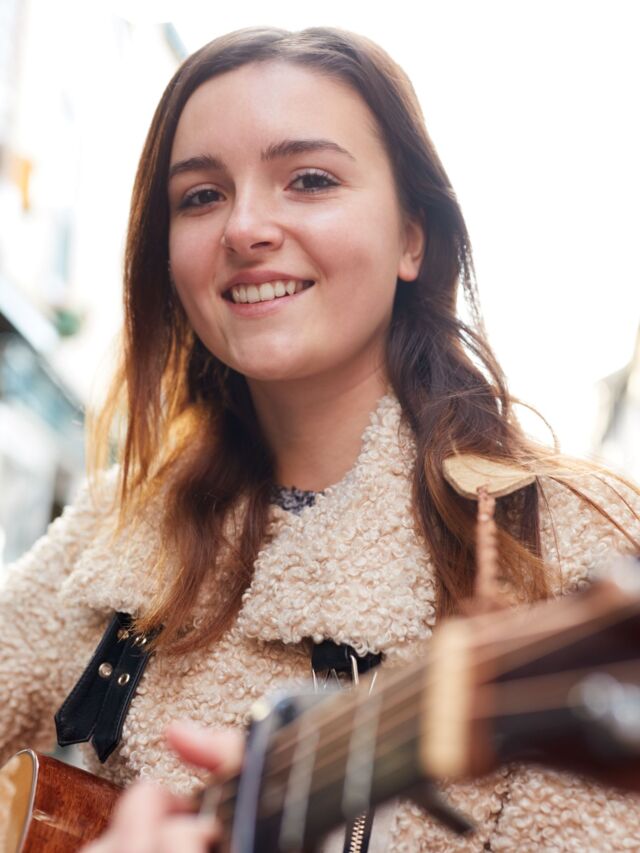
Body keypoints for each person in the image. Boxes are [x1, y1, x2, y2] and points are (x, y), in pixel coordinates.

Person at [1, 25, 640, 853]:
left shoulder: (568, 540)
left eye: (309, 180)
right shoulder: (114, 530)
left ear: (413, 236)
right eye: (201, 195)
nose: (244, 227)